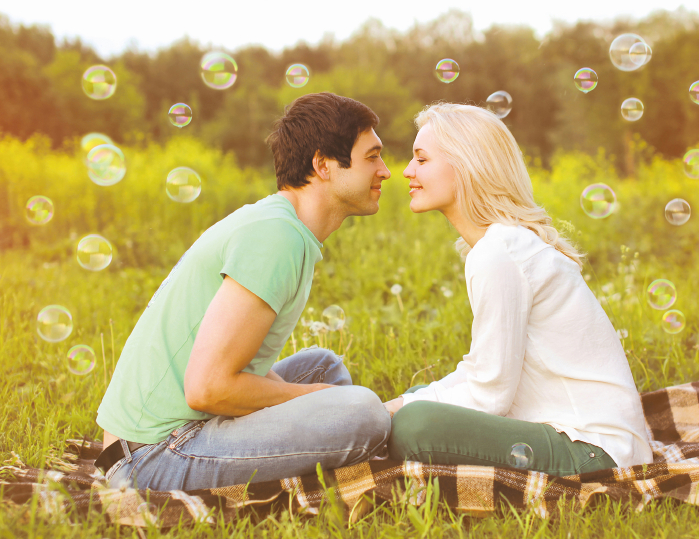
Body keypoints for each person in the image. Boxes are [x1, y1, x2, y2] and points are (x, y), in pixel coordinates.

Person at [95, 92, 393, 490]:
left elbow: (238, 363)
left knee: (321, 365)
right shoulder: (276, 237)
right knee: (365, 415)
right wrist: (314, 398)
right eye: (372, 156)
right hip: (152, 456)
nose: (386, 171)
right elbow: (208, 388)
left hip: (168, 432)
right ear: (323, 164)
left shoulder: (283, 225)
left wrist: (312, 392)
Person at [383, 103, 653, 476]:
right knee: (414, 404)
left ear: (465, 165)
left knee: (415, 425)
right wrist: (402, 401)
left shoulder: (499, 253)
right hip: (581, 436)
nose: (407, 170)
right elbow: (482, 369)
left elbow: (489, 394)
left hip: (594, 450)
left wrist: (402, 411)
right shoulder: (500, 246)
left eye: (421, 159)